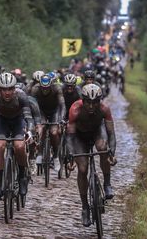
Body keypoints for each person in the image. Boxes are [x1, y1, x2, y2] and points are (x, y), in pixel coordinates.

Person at [66, 84, 117, 227]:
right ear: (83, 100)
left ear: (99, 101)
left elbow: (111, 134)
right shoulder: (75, 110)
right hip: (79, 137)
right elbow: (69, 137)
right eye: (88, 102)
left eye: (95, 102)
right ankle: (85, 207)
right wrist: (70, 156)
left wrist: (111, 152)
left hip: (96, 132)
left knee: (102, 148)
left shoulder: (104, 109)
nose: (91, 105)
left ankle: (107, 184)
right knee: (82, 169)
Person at [0, 73, 33, 200]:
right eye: (4, 89)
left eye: (10, 89)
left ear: (14, 88)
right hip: (2, 120)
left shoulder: (21, 95)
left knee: (19, 146)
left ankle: (22, 177)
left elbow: (28, 117)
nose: (7, 92)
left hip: (18, 120)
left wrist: (30, 131)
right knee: (0, 146)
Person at [29, 74, 65, 171]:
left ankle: (56, 156)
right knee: (42, 128)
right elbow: (32, 104)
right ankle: (40, 153)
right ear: (40, 86)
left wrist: (61, 119)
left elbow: (62, 105)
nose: (45, 90)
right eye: (43, 88)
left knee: (54, 132)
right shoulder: (35, 89)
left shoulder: (57, 88)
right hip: (41, 111)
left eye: (47, 88)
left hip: (54, 111)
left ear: (51, 86)